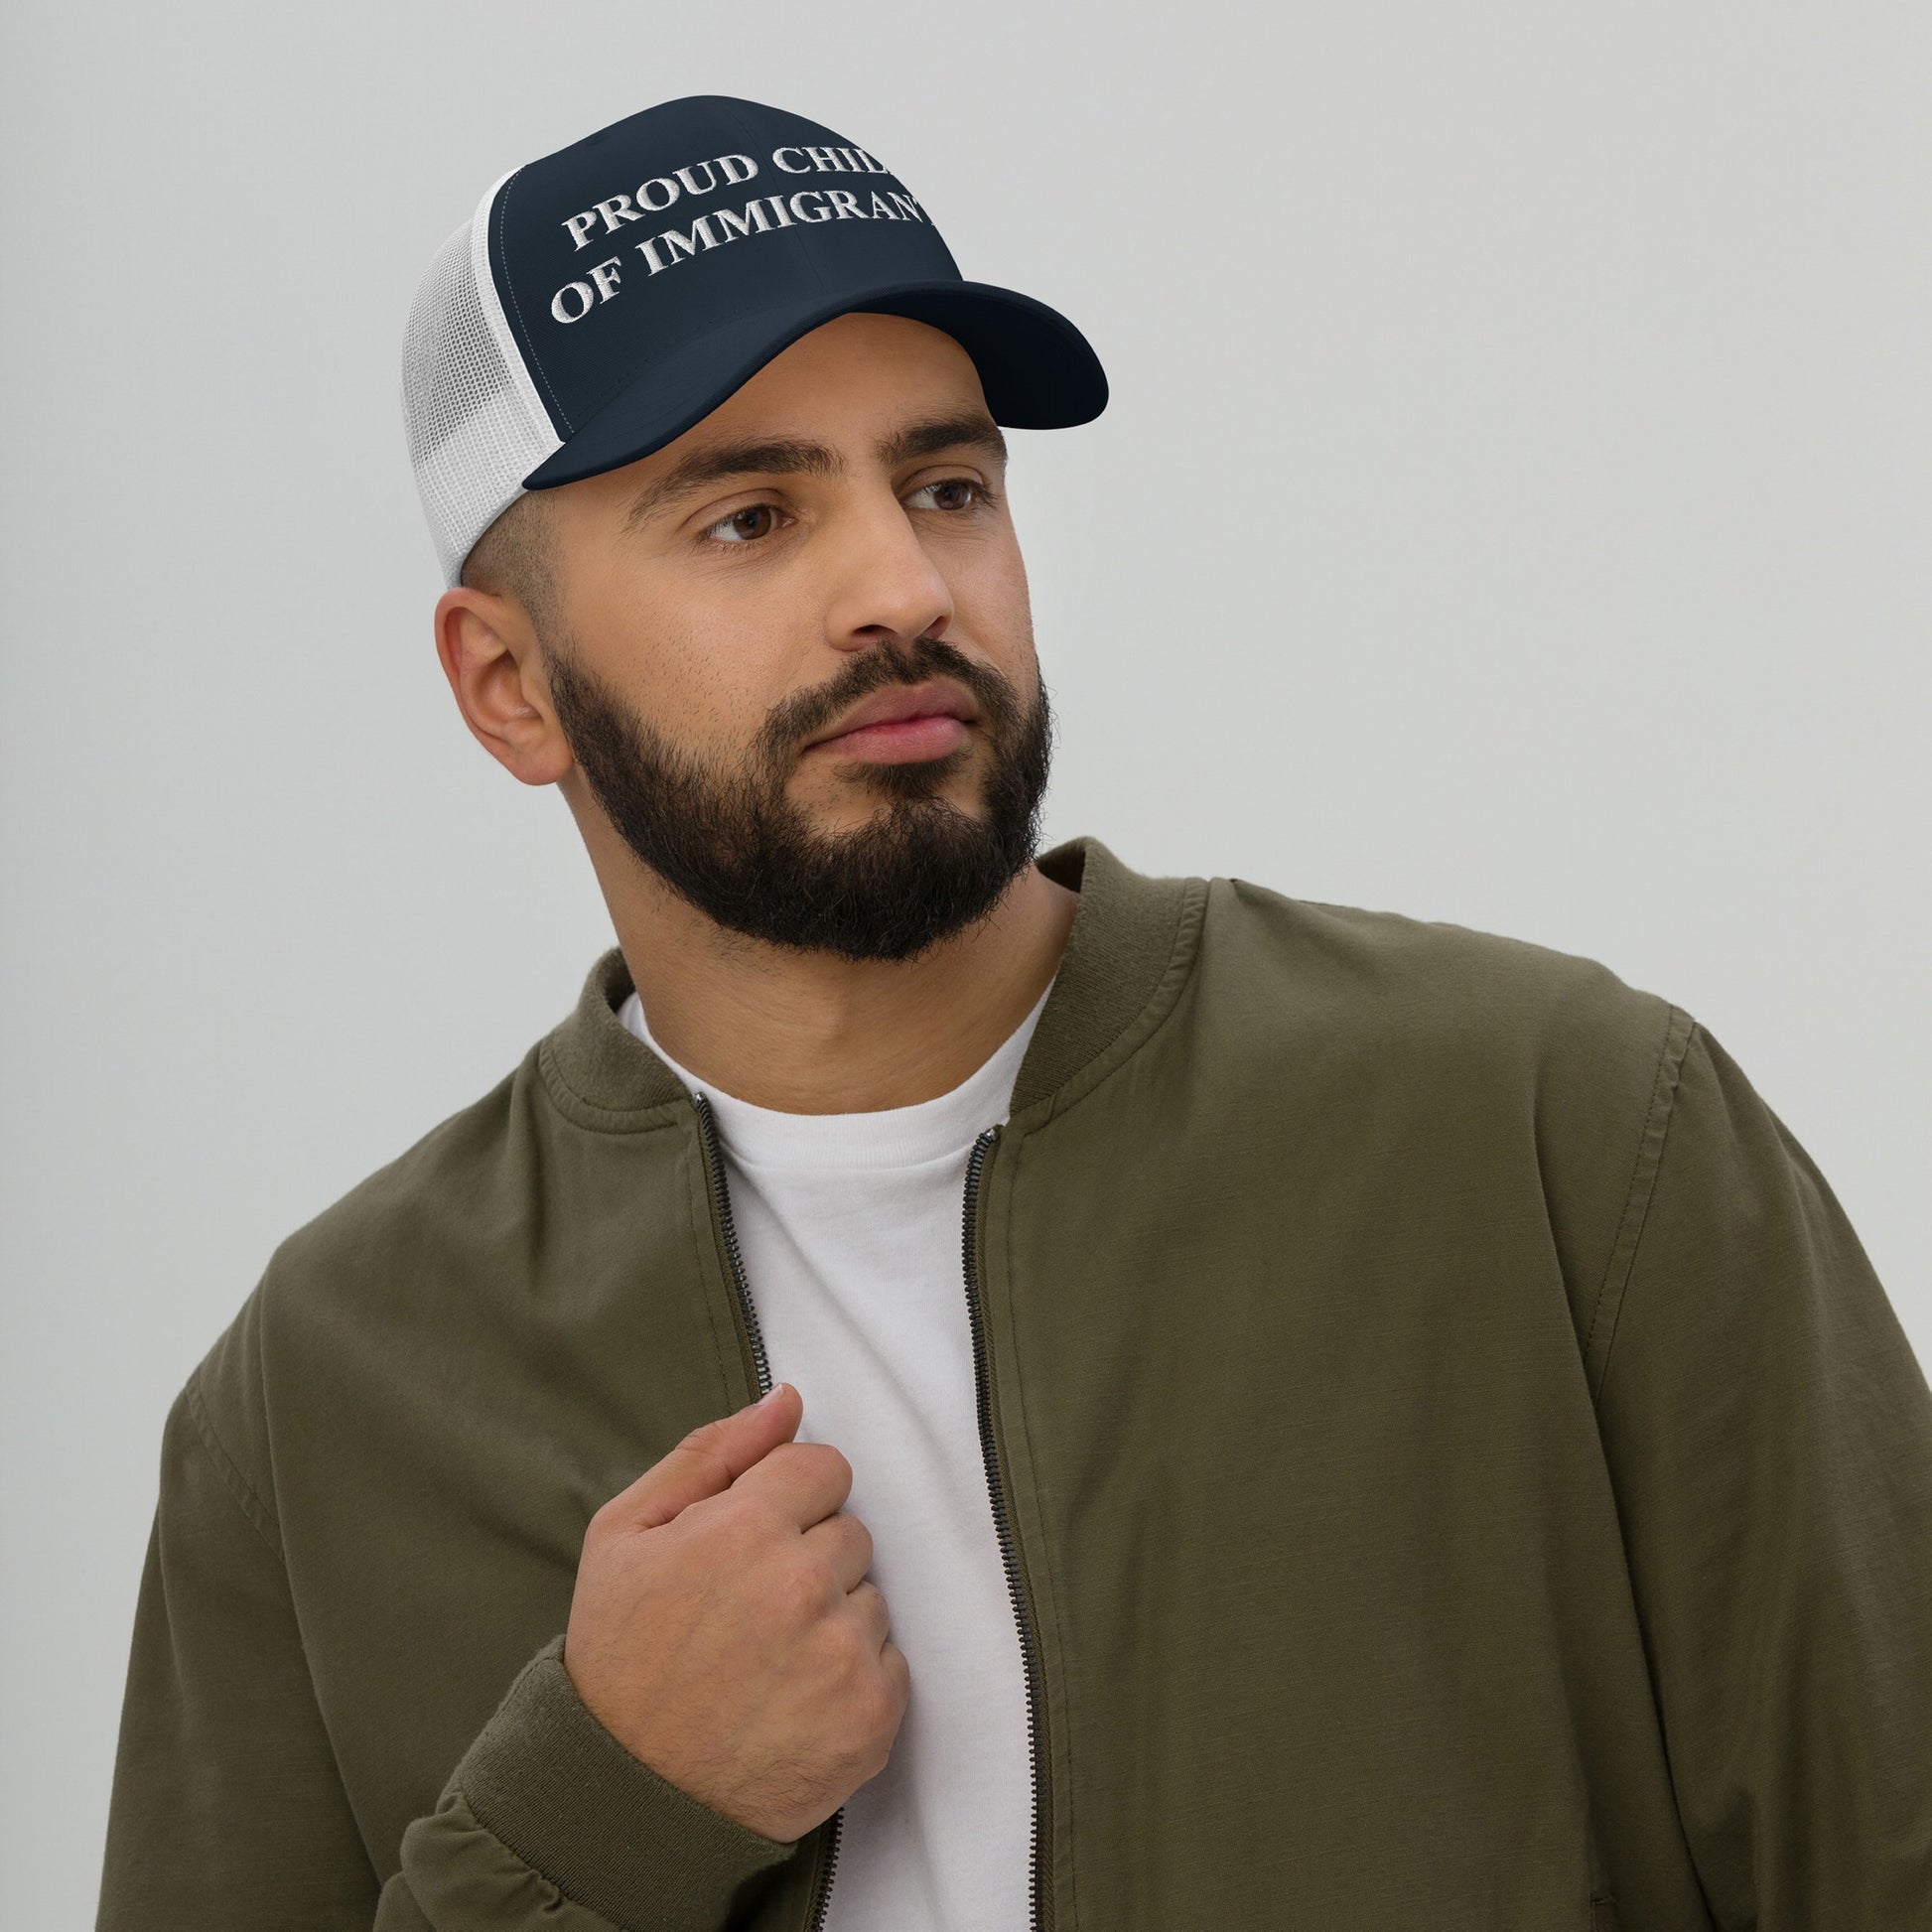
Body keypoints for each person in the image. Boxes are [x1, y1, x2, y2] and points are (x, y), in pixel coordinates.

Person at [96, 92, 1931, 1932]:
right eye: (749, 517)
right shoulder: (322, 1403)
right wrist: (593, 1814)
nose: (902, 588)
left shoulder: (1559, 1139)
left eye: (947, 485)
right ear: (509, 687)